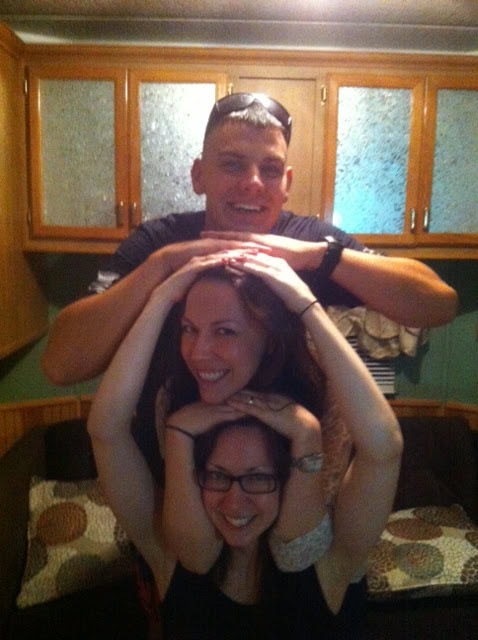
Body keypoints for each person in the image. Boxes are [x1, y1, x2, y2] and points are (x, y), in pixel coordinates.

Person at [42, 92, 457, 389]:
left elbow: (439, 304)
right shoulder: (158, 242)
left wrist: (320, 257)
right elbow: (61, 365)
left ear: (286, 184)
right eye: (232, 164)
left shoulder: (314, 241)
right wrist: (162, 266)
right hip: (164, 473)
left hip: (288, 475)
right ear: (199, 175)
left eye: (270, 170)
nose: (253, 183)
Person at [87, 249, 403, 639]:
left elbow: (384, 446)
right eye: (217, 476)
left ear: (287, 480)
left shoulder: (331, 566)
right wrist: (161, 296)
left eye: (257, 479)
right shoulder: (169, 558)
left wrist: (306, 306)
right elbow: (105, 431)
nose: (235, 501)